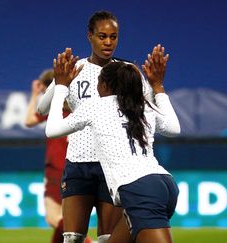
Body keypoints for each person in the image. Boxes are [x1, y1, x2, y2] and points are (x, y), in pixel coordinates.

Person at [37, 11, 153, 243]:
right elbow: (42, 109)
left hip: (112, 165)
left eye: (113, 36)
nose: (108, 42)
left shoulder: (127, 72)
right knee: (71, 238)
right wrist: (60, 84)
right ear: (90, 36)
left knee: (107, 239)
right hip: (78, 163)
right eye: (102, 36)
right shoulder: (75, 69)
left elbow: (148, 105)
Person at [45, 44, 180, 243]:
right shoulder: (141, 106)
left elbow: (52, 129)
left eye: (98, 82)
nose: (95, 87)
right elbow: (173, 129)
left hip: (140, 190)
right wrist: (158, 87)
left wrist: (61, 87)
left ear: (106, 85)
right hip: (163, 184)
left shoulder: (96, 106)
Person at [25, 69, 86, 243]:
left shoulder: (54, 110)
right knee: (65, 218)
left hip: (57, 170)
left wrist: (34, 95)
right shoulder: (79, 108)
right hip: (78, 169)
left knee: (54, 218)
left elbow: (29, 120)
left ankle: (88, 242)